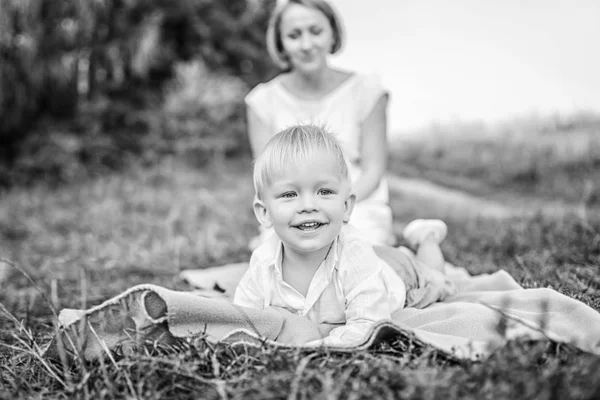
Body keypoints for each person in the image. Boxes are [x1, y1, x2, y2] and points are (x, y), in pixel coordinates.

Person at [233, 125, 455, 346]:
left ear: (347, 206)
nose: (308, 205)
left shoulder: (355, 257)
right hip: (372, 258)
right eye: (289, 194)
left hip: (399, 274)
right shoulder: (263, 261)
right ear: (264, 213)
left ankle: (427, 238)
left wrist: (316, 346)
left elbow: (368, 325)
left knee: (437, 280)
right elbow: (242, 320)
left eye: (324, 192)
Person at [245, 0, 394, 246]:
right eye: (294, 35)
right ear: (281, 43)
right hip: (292, 209)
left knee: (353, 255)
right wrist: (299, 211)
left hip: (356, 204)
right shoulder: (261, 101)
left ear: (332, 33)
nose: (306, 45)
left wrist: (333, 207)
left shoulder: (367, 91)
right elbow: (266, 178)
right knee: (281, 259)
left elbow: (373, 171)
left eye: (316, 32)